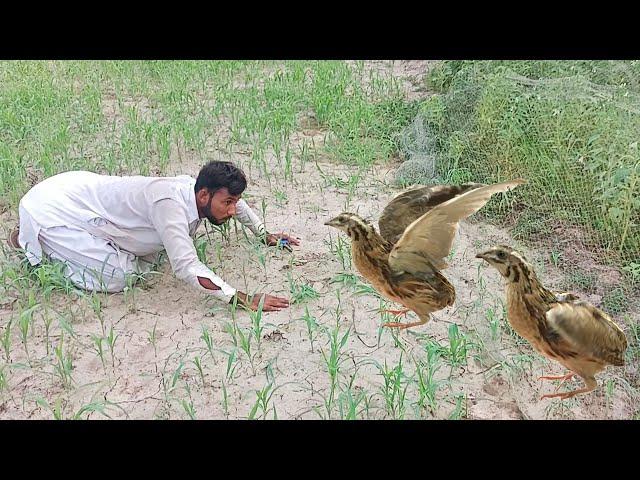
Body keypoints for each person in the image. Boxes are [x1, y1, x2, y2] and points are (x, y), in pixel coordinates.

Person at [9, 161, 299, 312]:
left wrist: (264, 234)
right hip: (53, 206)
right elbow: (186, 266)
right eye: (227, 204)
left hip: (79, 192)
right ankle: (34, 242)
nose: (233, 210)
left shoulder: (199, 191)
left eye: (233, 202)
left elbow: (239, 202)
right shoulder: (169, 206)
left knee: (146, 257)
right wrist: (241, 298)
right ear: (203, 195)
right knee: (119, 277)